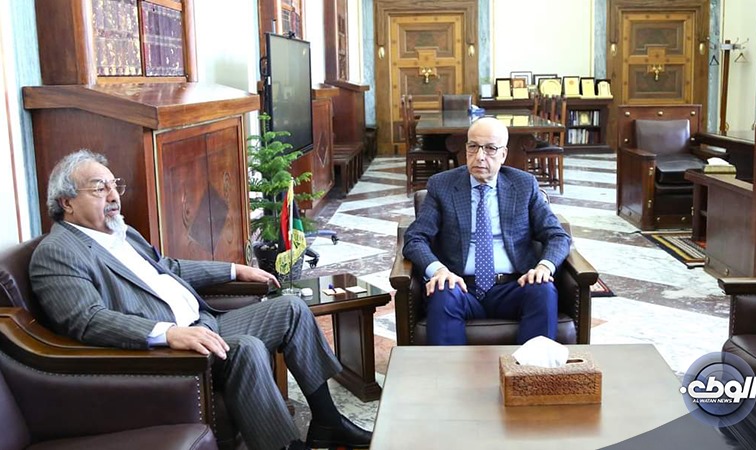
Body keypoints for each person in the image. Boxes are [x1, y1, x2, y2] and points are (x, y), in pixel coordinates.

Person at [29, 150, 371, 450]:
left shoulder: (122, 231)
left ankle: (328, 421)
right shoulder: (58, 252)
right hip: (170, 351)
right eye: (99, 188)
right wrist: (167, 333)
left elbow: (169, 267)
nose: (113, 195)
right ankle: (286, 447)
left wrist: (235, 270)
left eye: (114, 185)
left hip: (204, 323)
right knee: (246, 347)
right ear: (67, 202)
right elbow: (86, 320)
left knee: (291, 309)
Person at [403, 117, 571, 345]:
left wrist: (543, 267)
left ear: (504, 154)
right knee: (442, 291)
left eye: (490, 148)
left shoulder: (524, 185)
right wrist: (439, 270)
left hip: (515, 285)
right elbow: (415, 238)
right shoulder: (442, 185)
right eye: (473, 146)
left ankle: (531, 368)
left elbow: (557, 235)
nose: (480, 156)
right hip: (460, 286)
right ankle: (448, 369)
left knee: (543, 289)